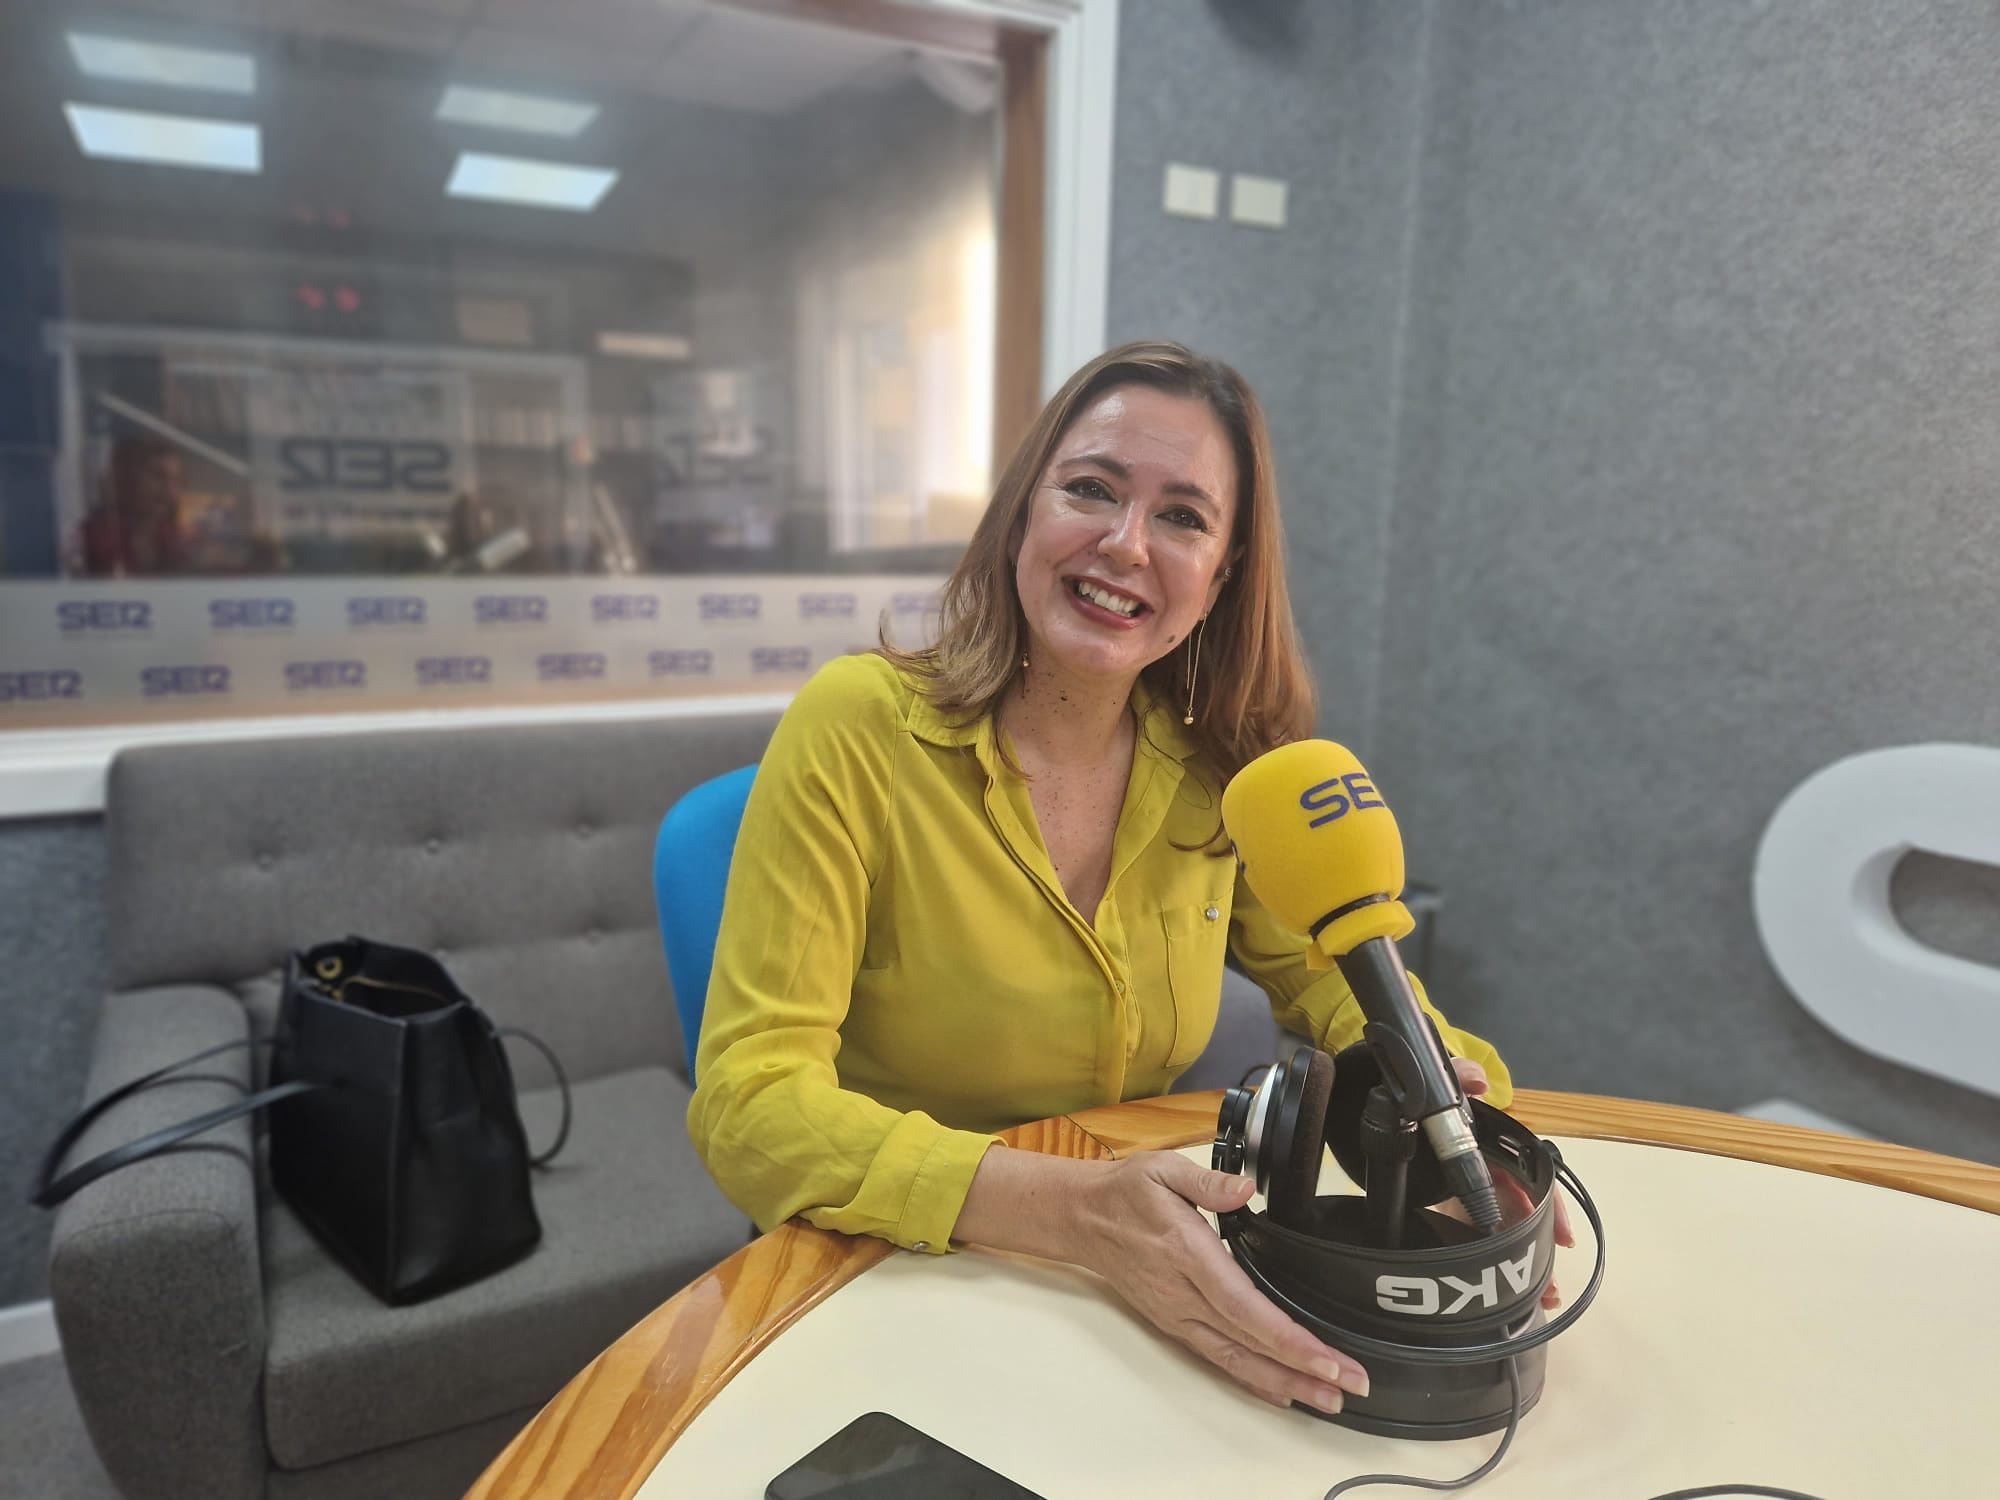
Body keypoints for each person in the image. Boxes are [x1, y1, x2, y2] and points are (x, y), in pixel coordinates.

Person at [689, 340, 1540, 1419]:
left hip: (1119, 1277)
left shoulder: (1223, 776)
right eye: (1089, 489)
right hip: (879, 1265)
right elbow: (749, 1106)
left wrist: (1462, 1111)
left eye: (1182, 517)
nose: (1125, 544)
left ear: (1219, 577)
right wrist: (1076, 1212)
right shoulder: (855, 728)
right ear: (1020, 519)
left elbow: (1341, 980)